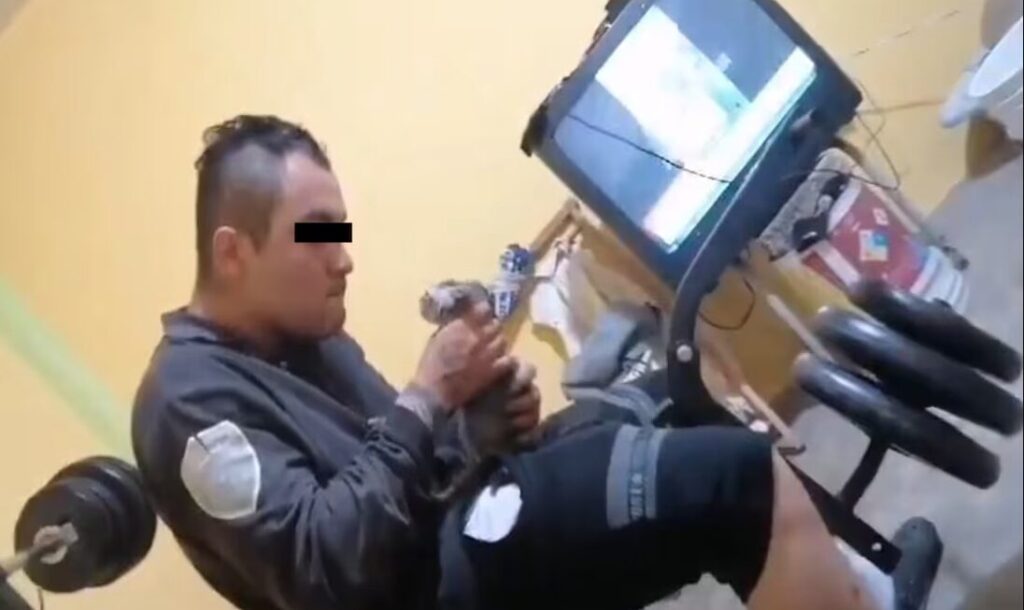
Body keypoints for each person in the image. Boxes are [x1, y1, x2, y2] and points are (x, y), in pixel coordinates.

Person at [132, 115, 939, 610]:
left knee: (666, 395)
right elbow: (326, 570)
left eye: (339, 232)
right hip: (430, 588)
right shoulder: (186, 404)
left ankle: (851, 592)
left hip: (451, 537)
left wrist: (482, 422)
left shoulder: (308, 334)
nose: (342, 257)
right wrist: (427, 394)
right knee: (737, 475)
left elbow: (419, 469)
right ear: (233, 253)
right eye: (315, 234)